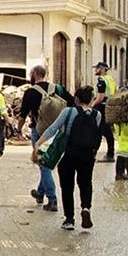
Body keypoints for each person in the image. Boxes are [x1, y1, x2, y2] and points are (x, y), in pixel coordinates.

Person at [39, 83, 105, 230]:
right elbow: (98, 136)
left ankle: (69, 219)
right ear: (91, 99)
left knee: (67, 186)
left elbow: (53, 129)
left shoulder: (68, 112)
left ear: (76, 99)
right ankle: (86, 208)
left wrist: (39, 143)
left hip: (69, 154)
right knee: (86, 183)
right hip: (88, 155)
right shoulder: (97, 115)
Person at [18, 63, 66, 212]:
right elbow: (70, 104)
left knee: (44, 165)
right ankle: (40, 193)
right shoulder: (58, 88)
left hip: (39, 133)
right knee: (44, 163)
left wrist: (19, 130)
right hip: (57, 131)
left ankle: (52, 200)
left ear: (34, 74)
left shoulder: (30, 92)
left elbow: (22, 115)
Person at [92, 61, 116, 161]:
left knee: (98, 131)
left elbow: (100, 97)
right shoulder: (110, 79)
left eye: (97, 68)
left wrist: (92, 106)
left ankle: (93, 154)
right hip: (109, 106)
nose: (95, 70)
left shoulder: (101, 80)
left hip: (101, 107)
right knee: (107, 131)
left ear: (102, 69)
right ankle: (110, 154)